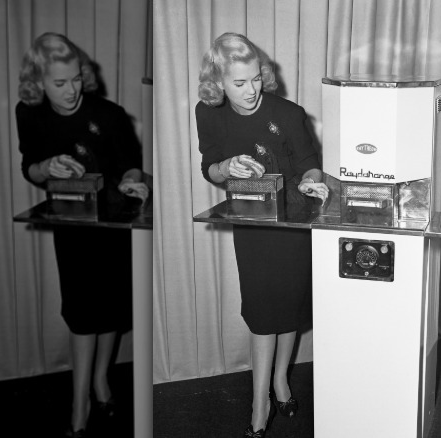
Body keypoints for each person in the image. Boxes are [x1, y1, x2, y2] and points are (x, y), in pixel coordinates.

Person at [196, 32, 328, 438]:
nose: (251, 90)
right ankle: (259, 404)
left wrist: (310, 184)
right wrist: (226, 168)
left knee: (287, 307)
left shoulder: (288, 112)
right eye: (239, 83)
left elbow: (310, 163)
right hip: (251, 224)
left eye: (256, 78)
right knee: (261, 313)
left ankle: (281, 383)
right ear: (218, 82)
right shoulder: (208, 112)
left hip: (291, 223)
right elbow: (209, 166)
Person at [16, 32, 148, 438]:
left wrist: (131, 184)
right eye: (59, 83)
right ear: (38, 81)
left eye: (76, 78)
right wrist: (46, 167)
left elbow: (131, 166)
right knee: (81, 314)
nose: (71, 89)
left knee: (108, 309)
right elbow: (30, 166)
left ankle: (100, 384)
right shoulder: (29, 112)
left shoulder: (109, 113)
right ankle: (79, 404)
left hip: (111, 227)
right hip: (72, 228)